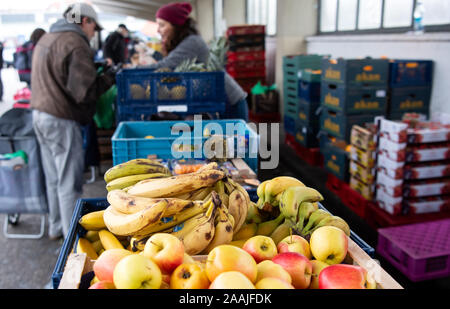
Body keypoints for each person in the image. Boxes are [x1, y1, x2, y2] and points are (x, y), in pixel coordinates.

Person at [30, 3, 116, 239]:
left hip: (39, 114)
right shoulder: (76, 43)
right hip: (61, 118)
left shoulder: (48, 38)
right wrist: (109, 77)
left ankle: (56, 227)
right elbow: (84, 92)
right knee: (69, 180)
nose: (93, 33)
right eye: (94, 27)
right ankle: (71, 238)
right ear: (84, 21)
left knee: (53, 177)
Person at [146, 2, 248, 121]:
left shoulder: (192, 42)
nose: (158, 30)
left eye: (162, 25)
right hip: (216, 102)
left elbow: (165, 65)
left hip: (229, 102)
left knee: (235, 140)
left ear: (176, 25)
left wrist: (128, 68)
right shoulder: (185, 42)